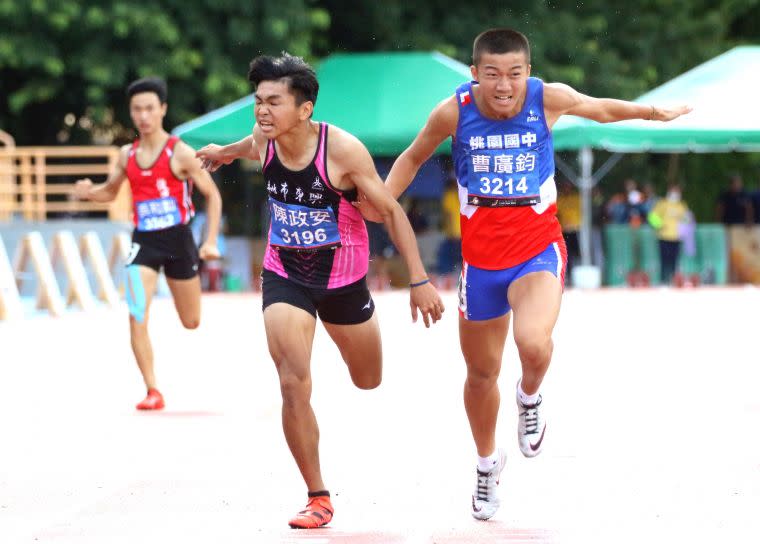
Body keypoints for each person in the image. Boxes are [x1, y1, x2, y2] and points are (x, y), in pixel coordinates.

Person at [359, 28, 691, 520]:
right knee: (479, 374)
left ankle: (529, 396)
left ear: (527, 74)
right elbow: (412, 157)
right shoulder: (452, 111)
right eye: (491, 74)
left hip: (537, 250)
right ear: (475, 75)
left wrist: (650, 112)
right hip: (482, 263)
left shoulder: (547, 99)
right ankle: (487, 464)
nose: (503, 85)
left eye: (514, 74)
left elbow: (598, 107)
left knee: (533, 342)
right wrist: (381, 199)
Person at [195, 53, 444, 529]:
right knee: (291, 380)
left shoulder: (343, 151)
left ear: (304, 109)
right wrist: (223, 152)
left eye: (273, 102)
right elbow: (248, 146)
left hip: (343, 281)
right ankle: (318, 495)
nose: (262, 111)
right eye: (258, 101)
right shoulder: (265, 141)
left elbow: (391, 212)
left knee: (367, 378)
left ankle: (353, 344)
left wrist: (419, 279)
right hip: (285, 273)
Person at [74, 77, 222, 410]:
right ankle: (152, 390)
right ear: (131, 113)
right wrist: (89, 193)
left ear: (162, 110)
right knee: (136, 312)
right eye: (137, 109)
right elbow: (110, 192)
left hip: (179, 242)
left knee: (191, 321)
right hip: (143, 244)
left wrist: (210, 241)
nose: (143, 116)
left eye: (149, 109)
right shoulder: (127, 154)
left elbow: (212, 195)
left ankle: (181, 296)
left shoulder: (180, 152)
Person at [648, 184, 693, 285]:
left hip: (676, 237)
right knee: (664, 261)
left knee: (674, 261)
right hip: (664, 237)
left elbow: (687, 219)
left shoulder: (681, 205)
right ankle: (663, 281)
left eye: (677, 192)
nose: (676, 194)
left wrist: (686, 225)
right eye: (674, 191)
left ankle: (673, 281)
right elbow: (652, 216)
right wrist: (660, 225)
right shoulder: (662, 203)